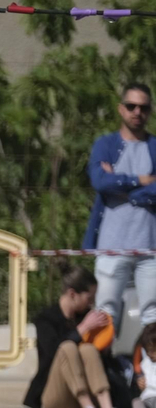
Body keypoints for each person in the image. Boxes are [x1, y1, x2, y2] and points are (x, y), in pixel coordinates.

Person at [24, 265, 132, 408]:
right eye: (89, 298)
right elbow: (52, 352)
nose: (91, 304)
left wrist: (104, 345)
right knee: (67, 347)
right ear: (72, 294)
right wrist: (82, 330)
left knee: (88, 350)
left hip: (90, 393)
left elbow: (95, 361)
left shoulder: (85, 317)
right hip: (57, 396)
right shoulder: (46, 319)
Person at [84, 83, 156, 334]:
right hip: (111, 246)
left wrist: (124, 189)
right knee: (104, 314)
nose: (137, 112)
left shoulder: (154, 146)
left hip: (150, 249)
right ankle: (102, 371)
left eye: (144, 107)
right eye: (131, 106)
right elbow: (99, 181)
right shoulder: (105, 144)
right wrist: (141, 180)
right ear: (121, 109)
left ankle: (149, 372)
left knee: (153, 316)